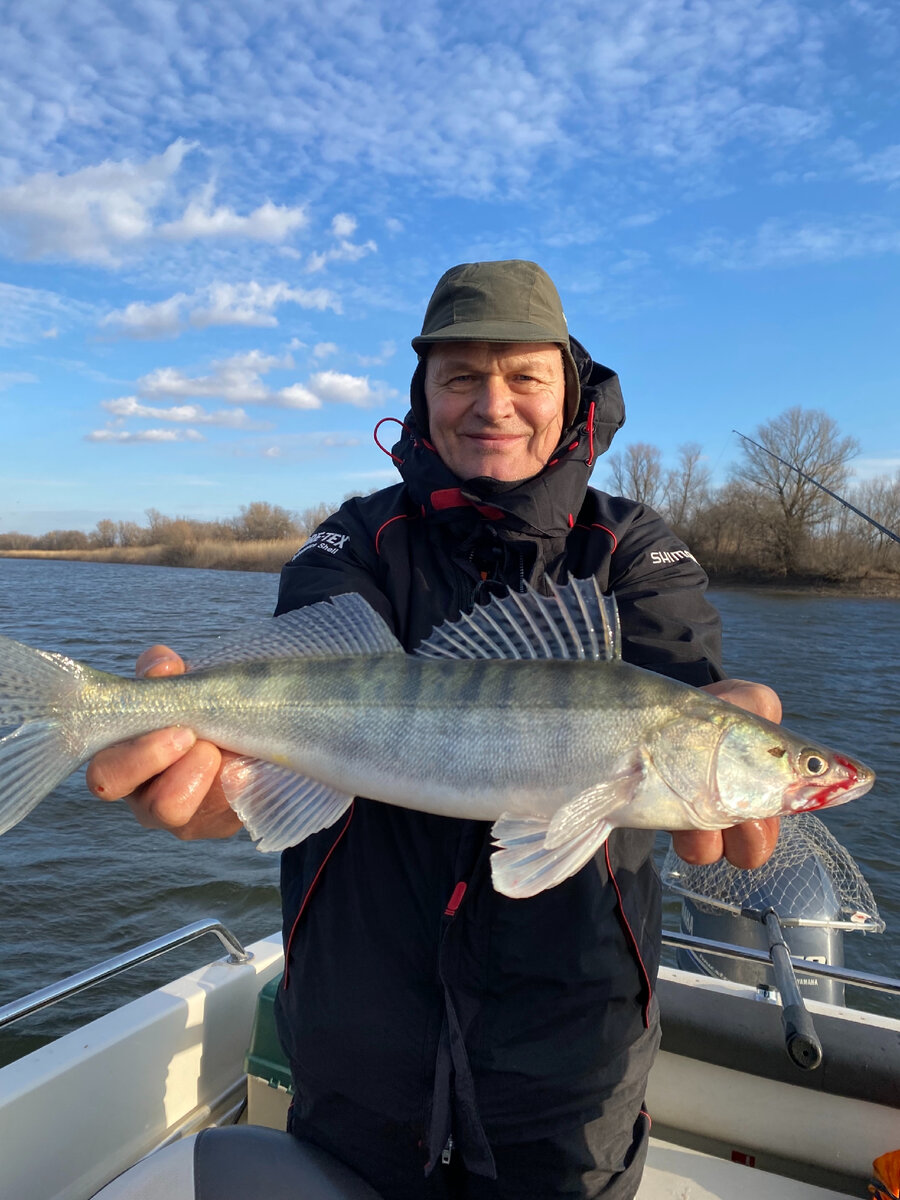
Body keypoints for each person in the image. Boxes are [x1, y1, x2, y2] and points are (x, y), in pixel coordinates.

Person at [87, 260, 781, 1199]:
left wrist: (735, 727)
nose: (493, 404)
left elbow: (679, 682)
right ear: (423, 394)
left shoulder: (633, 551)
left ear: (571, 392)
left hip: (573, 1056)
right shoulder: (354, 540)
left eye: (525, 375)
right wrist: (228, 784)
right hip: (355, 1045)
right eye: (460, 377)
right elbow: (306, 683)